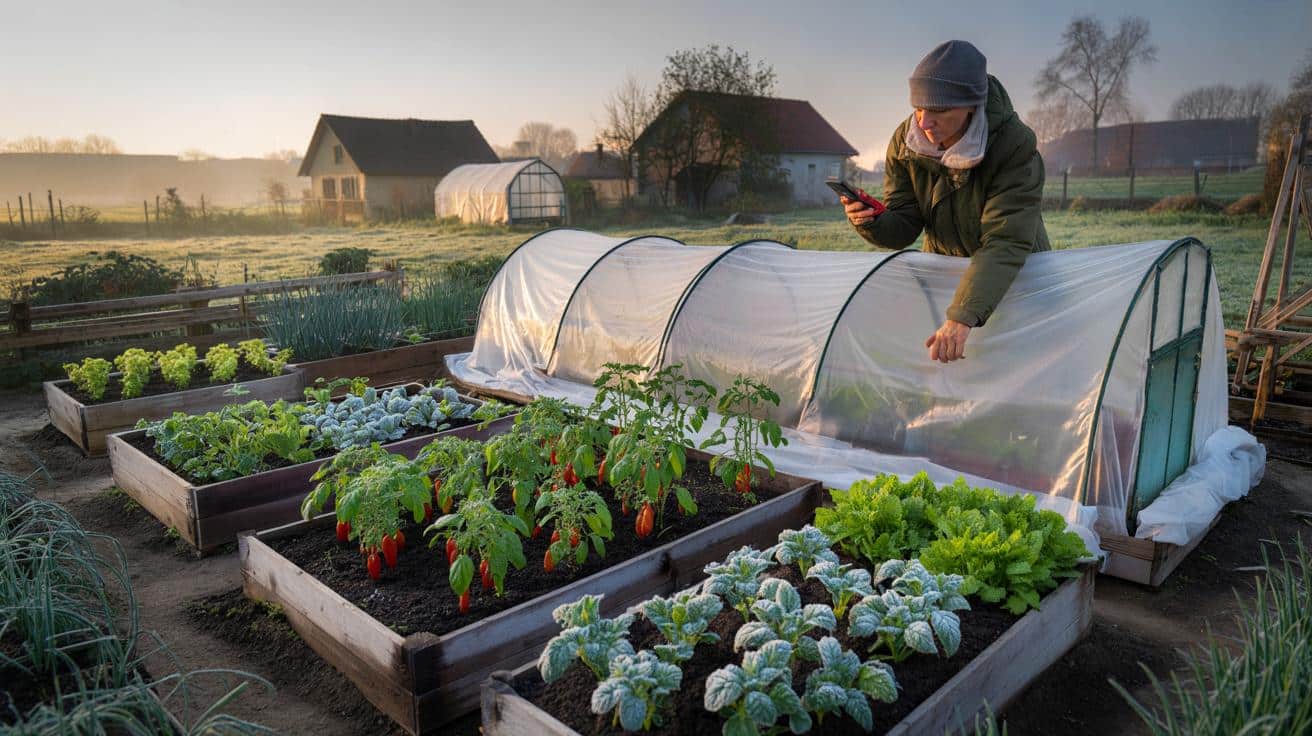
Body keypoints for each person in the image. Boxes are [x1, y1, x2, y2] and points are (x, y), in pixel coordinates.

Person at [843, 40, 1049, 364]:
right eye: (918, 108)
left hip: (1009, 280)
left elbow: (1004, 240)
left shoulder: (1014, 145)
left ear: (971, 106)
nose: (924, 122)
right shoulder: (905, 141)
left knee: (1012, 372)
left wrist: (963, 315)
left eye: (938, 110)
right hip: (944, 280)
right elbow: (905, 224)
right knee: (948, 384)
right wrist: (871, 221)